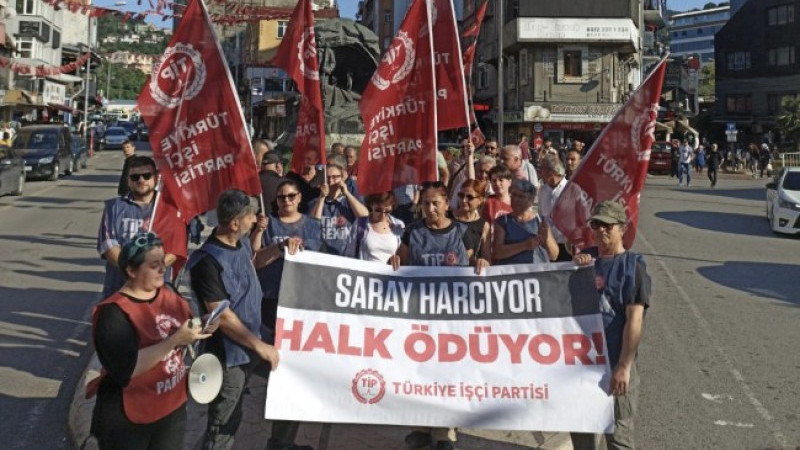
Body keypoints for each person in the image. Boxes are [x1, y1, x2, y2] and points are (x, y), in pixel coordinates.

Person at [91, 232, 213, 450]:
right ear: (131, 270)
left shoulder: (168, 291)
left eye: (162, 261)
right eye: (153, 265)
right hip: (129, 418)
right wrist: (175, 340)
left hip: (171, 407)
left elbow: (185, 324)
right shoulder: (113, 313)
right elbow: (126, 368)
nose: (162, 269)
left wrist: (204, 323)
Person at [390, 181, 488, 450]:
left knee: (449, 373)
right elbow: (399, 261)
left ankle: (446, 431)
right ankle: (420, 426)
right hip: (421, 317)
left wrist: (482, 263)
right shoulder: (413, 232)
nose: (430, 209)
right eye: (425, 204)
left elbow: (470, 269)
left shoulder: (462, 232)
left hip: (453, 319)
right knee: (420, 370)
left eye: (436, 203)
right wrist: (395, 261)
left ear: (447, 204)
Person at [187, 189, 282, 450]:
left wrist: (280, 248)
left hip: (254, 343)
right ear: (234, 223)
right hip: (230, 356)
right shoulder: (206, 262)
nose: (256, 220)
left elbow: (252, 261)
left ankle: (281, 444)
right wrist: (261, 347)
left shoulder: (238, 242)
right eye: (251, 216)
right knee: (225, 423)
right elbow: (224, 317)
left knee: (290, 384)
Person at [570, 201, 651, 450]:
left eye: (608, 225)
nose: (601, 230)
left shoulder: (632, 267)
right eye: (596, 224)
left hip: (615, 362)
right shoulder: (586, 260)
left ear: (622, 228)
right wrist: (574, 269)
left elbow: (634, 320)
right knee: (582, 431)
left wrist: (624, 366)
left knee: (618, 437)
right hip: (582, 365)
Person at [253, 180, 322, 450]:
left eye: (291, 196)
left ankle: (282, 440)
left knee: (292, 373)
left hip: (301, 305)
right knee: (273, 369)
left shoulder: (312, 226)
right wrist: (278, 246)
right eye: (281, 197)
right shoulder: (266, 224)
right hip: (271, 303)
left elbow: (318, 262)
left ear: (300, 198)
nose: (285, 201)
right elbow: (256, 260)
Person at [98, 156, 177, 299]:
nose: (141, 180)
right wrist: (133, 272)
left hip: (157, 294)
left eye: (147, 176)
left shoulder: (170, 209)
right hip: (119, 291)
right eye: (135, 177)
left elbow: (174, 251)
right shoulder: (113, 208)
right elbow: (109, 247)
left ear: (156, 177)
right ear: (128, 180)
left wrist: (148, 272)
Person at [311, 161, 369, 257]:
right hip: (323, 256)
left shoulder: (349, 201)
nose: (330, 181)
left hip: (346, 256)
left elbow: (364, 215)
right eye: (327, 177)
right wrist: (321, 197)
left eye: (335, 177)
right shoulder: (316, 202)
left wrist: (346, 192)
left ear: (342, 178)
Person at [492, 179, 557, 265]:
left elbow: (554, 256)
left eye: (521, 197)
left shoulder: (541, 221)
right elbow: (497, 253)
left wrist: (547, 238)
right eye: (514, 195)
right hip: (510, 274)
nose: (516, 199)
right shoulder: (503, 221)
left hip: (535, 274)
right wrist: (524, 245)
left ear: (531, 200)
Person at [353, 191, 405, 262]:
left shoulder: (399, 225)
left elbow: (404, 257)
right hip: (365, 272)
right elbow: (349, 256)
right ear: (371, 205)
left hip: (390, 272)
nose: (383, 215)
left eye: (387, 211)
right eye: (378, 210)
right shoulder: (360, 224)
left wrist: (397, 259)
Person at [538, 155, 571, 261]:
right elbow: (541, 215)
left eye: (541, 168)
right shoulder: (542, 191)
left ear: (552, 171)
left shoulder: (570, 189)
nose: (539, 172)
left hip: (567, 246)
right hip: (548, 245)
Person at [451, 180, 490, 264]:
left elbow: (487, 258)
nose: (464, 200)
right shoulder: (448, 218)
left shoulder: (484, 226)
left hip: (470, 272)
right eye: (461, 195)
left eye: (470, 197)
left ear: (480, 200)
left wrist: (483, 262)